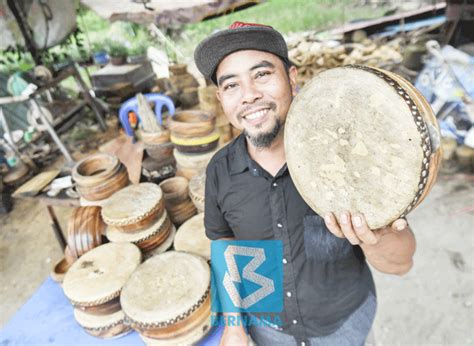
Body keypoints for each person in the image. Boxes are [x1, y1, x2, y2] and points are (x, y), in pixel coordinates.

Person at [194, 22, 416, 346]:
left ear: (292, 78)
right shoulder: (219, 171)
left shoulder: (347, 155)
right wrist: (234, 325)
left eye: (262, 75)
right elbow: (224, 244)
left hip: (345, 328)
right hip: (268, 331)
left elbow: (401, 263)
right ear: (220, 98)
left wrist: (377, 237)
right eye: (231, 85)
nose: (249, 95)